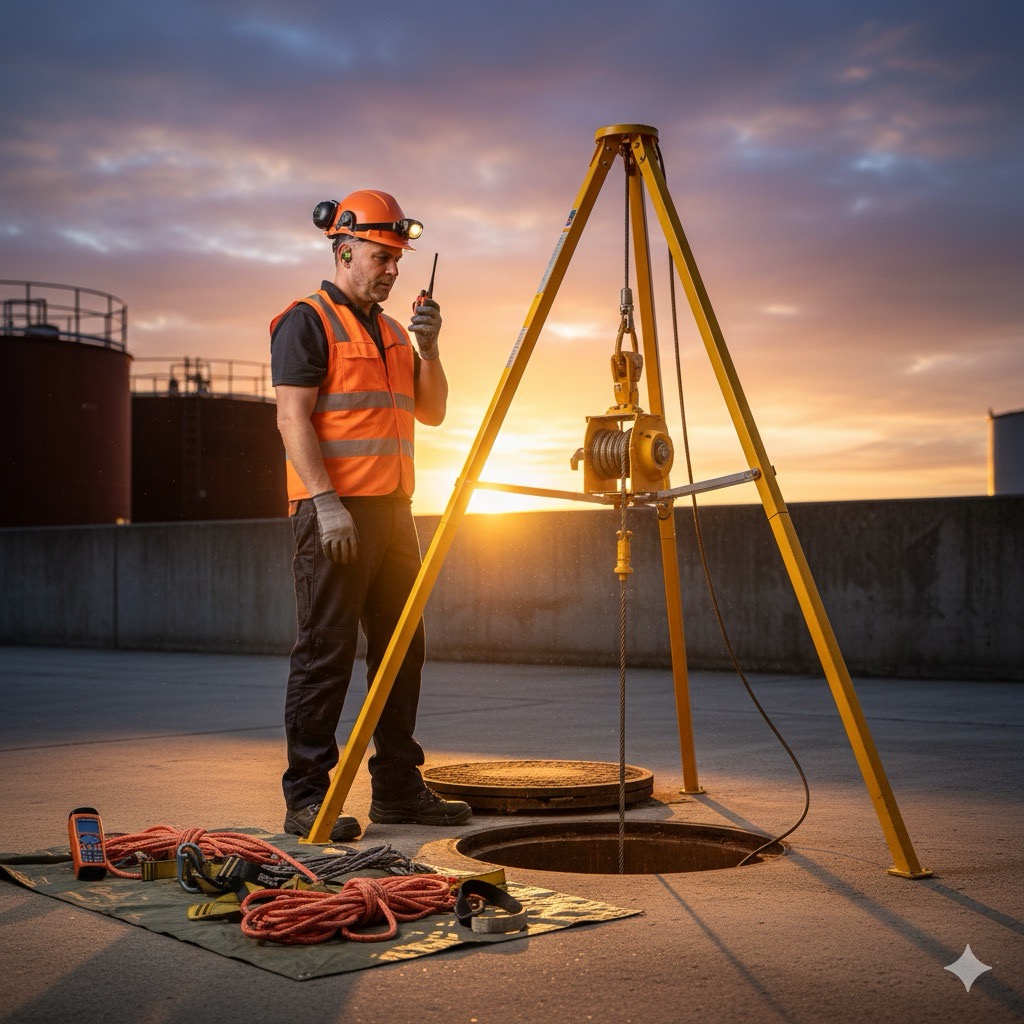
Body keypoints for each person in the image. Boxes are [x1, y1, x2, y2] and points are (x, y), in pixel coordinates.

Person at [270, 189, 471, 841]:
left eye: (397, 259)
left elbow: (432, 410)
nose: (391, 268)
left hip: (393, 514)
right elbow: (291, 417)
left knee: (401, 652)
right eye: (381, 255)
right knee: (325, 652)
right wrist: (326, 503)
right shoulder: (307, 321)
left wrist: (430, 347)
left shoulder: (390, 332)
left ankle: (398, 790)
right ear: (345, 247)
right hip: (333, 514)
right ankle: (307, 798)